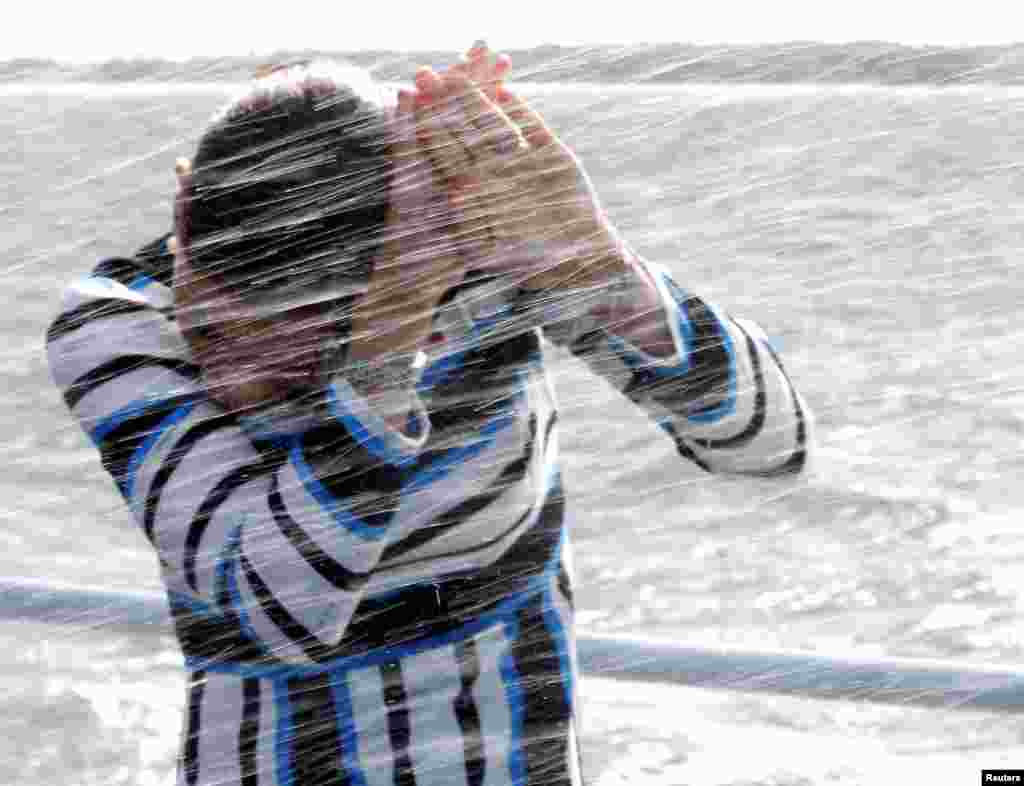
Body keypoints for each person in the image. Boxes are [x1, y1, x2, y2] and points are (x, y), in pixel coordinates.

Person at [46, 44, 814, 786]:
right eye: (210, 334)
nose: (235, 380)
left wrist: (595, 260)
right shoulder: (119, 321)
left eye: (298, 369)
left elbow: (770, 445)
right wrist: (383, 346)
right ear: (183, 213)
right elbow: (281, 606)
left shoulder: (479, 267)